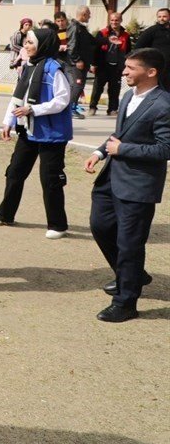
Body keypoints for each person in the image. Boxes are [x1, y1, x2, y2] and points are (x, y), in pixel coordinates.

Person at [84, 48, 168, 322]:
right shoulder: (128, 96)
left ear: (151, 72)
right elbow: (119, 135)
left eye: (131, 68)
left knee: (130, 243)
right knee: (100, 226)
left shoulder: (164, 104)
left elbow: (165, 149)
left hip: (139, 186)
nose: (124, 71)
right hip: (111, 179)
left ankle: (125, 302)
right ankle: (131, 275)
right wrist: (100, 152)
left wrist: (124, 149)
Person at [0, 28, 73, 238]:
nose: (25, 46)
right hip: (28, 130)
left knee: (50, 179)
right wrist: (9, 120)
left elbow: (62, 100)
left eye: (30, 43)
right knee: (15, 172)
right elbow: (18, 97)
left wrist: (34, 109)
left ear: (43, 45)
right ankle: (5, 214)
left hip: (51, 134)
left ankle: (57, 225)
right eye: (25, 42)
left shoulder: (54, 69)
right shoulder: (27, 67)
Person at [89, 12, 131, 116]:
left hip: (117, 66)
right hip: (103, 65)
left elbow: (128, 51)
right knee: (97, 88)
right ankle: (92, 107)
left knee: (114, 89)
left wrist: (127, 65)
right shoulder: (103, 32)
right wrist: (94, 64)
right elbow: (95, 48)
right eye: (112, 20)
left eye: (116, 20)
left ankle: (112, 109)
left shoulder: (126, 35)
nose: (114, 22)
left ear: (121, 20)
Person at [66, 5, 94, 115]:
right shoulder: (74, 27)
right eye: (89, 14)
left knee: (79, 86)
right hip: (76, 64)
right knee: (77, 85)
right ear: (83, 15)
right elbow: (71, 46)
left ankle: (73, 106)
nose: (90, 16)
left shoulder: (81, 28)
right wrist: (77, 60)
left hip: (84, 62)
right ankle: (70, 109)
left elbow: (92, 41)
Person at [134, 7, 170, 91]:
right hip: (158, 67)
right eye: (159, 16)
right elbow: (138, 47)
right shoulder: (151, 31)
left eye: (164, 16)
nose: (162, 19)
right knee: (157, 89)